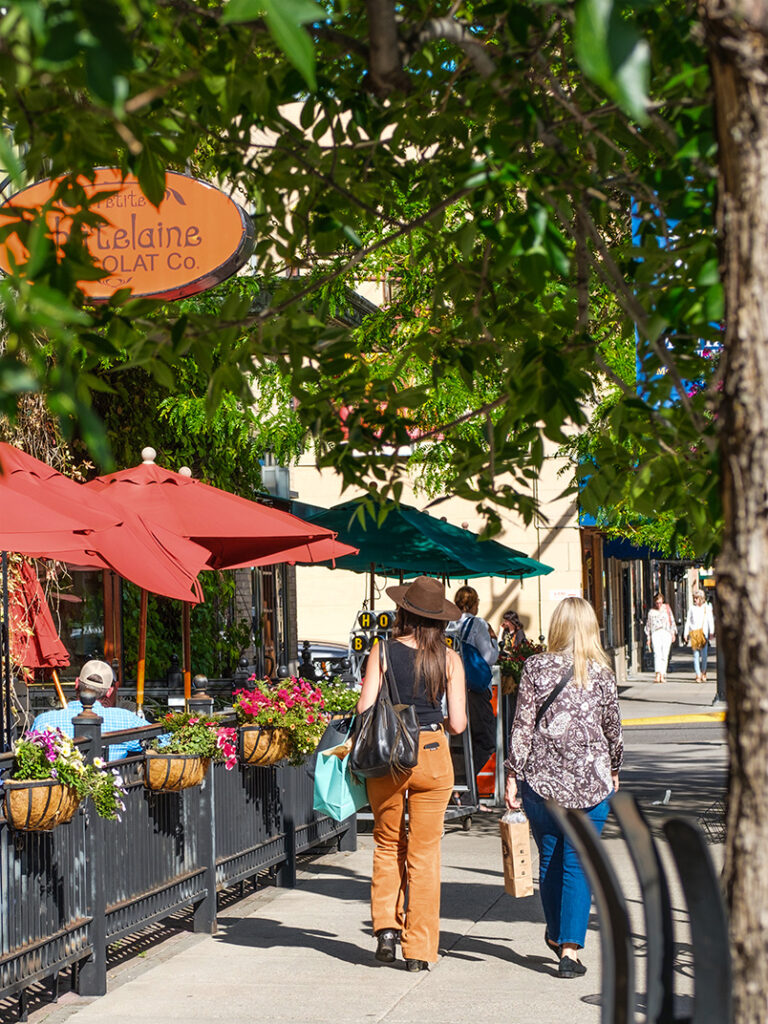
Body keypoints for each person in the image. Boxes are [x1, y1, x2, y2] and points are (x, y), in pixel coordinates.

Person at [504, 596, 623, 979]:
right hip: (591, 782)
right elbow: (613, 731)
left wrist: (511, 774)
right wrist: (615, 768)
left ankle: (558, 936)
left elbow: (521, 726)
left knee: (552, 859)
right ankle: (568, 948)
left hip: (542, 782)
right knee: (579, 862)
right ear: (590, 628)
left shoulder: (535, 667)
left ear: (556, 627)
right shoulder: (601, 673)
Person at [357, 575, 467, 972]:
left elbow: (364, 709)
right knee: (425, 853)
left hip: (390, 754)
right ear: (440, 620)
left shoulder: (382, 651)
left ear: (403, 611)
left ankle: (386, 928)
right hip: (433, 754)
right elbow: (458, 724)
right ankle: (418, 951)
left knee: (387, 843)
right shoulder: (449, 659)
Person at [32, 660, 147, 761]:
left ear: (76, 683)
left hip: (60, 785)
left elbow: (29, 753)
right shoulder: (125, 719)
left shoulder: (44, 721)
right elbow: (162, 740)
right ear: (109, 691)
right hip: (110, 784)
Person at [449, 585, 499, 783]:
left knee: (458, 742)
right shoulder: (478, 624)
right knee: (486, 741)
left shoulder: (447, 624)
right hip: (474, 691)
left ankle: (458, 787)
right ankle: (462, 782)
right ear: (474, 603)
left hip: (451, 689)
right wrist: (494, 640)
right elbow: (489, 657)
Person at [645, 591, 677, 684]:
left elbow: (672, 620)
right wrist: (648, 638)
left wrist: (673, 633)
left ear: (662, 601)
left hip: (666, 632)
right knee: (657, 653)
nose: (658, 604)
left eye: (660, 602)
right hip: (656, 633)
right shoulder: (651, 612)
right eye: (657, 602)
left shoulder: (667, 608)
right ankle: (657, 673)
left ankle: (663, 674)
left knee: (665, 654)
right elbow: (648, 625)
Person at [684, 591, 716, 683]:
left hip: (703, 633)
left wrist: (711, 632)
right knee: (696, 655)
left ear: (701, 598)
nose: (695, 599)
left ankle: (704, 672)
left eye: (697, 598)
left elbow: (710, 620)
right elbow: (688, 621)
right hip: (694, 633)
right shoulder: (692, 609)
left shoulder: (707, 608)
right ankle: (698, 674)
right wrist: (686, 633)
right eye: (694, 598)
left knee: (704, 655)